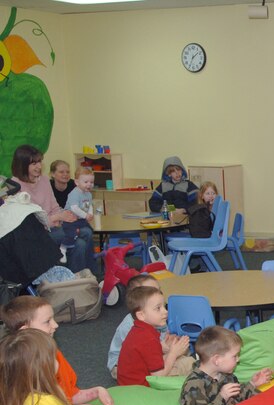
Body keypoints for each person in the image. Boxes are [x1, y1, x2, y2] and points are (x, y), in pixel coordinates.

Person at [0, 296, 132, 405]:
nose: (55, 325)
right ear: (25, 329)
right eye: (47, 321)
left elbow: (68, 395)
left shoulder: (46, 359)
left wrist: (96, 392)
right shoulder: (20, 376)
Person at [10, 145, 94, 273]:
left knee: (85, 234)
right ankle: (77, 275)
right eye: (34, 163)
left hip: (54, 225)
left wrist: (65, 216)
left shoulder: (44, 180)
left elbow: (54, 206)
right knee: (79, 238)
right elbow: (28, 221)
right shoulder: (16, 185)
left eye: (40, 162)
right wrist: (56, 218)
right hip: (36, 232)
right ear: (22, 164)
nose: (39, 166)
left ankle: (81, 275)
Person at [180, 326, 273, 405]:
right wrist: (222, 397)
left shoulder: (225, 375)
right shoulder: (194, 386)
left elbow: (238, 396)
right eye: (234, 356)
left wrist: (253, 384)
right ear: (217, 360)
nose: (238, 359)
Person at [117, 286, 193, 386]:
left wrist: (170, 351)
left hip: (131, 382)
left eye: (164, 306)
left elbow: (149, 357)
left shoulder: (140, 330)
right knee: (189, 363)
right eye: (158, 308)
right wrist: (173, 353)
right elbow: (158, 376)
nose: (165, 311)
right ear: (141, 315)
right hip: (142, 386)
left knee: (182, 358)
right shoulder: (148, 339)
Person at [106, 274, 176, 379]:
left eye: (158, 290)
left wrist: (169, 341)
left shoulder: (156, 317)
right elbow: (134, 354)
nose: (157, 294)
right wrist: (168, 351)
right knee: (175, 363)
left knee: (178, 352)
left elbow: (164, 335)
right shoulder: (129, 325)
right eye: (150, 291)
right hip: (119, 364)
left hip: (149, 353)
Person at [60, 166, 95, 264]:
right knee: (71, 234)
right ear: (77, 182)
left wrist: (90, 213)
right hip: (70, 219)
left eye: (91, 182)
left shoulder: (88, 194)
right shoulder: (75, 193)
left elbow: (89, 205)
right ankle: (63, 248)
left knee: (90, 231)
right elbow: (74, 208)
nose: (89, 185)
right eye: (86, 182)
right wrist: (85, 215)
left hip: (80, 219)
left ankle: (89, 260)